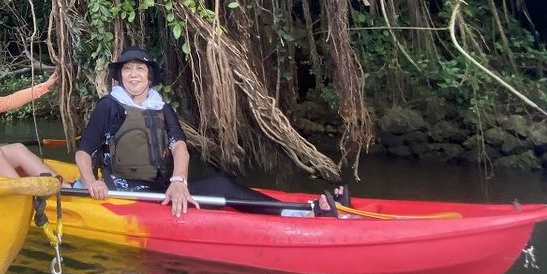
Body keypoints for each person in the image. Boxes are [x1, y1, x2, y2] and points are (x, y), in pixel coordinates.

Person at [74, 46, 344, 219]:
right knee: (221, 190)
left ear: (149, 76)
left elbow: (179, 145)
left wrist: (178, 181)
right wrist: (90, 182)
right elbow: (84, 151)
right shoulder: (109, 106)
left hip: (158, 189)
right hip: (123, 194)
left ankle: (303, 210)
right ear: (120, 75)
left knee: (221, 185)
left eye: (139, 69)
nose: (133, 74)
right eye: (127, 69)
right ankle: (304, 214)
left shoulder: (161, 107)